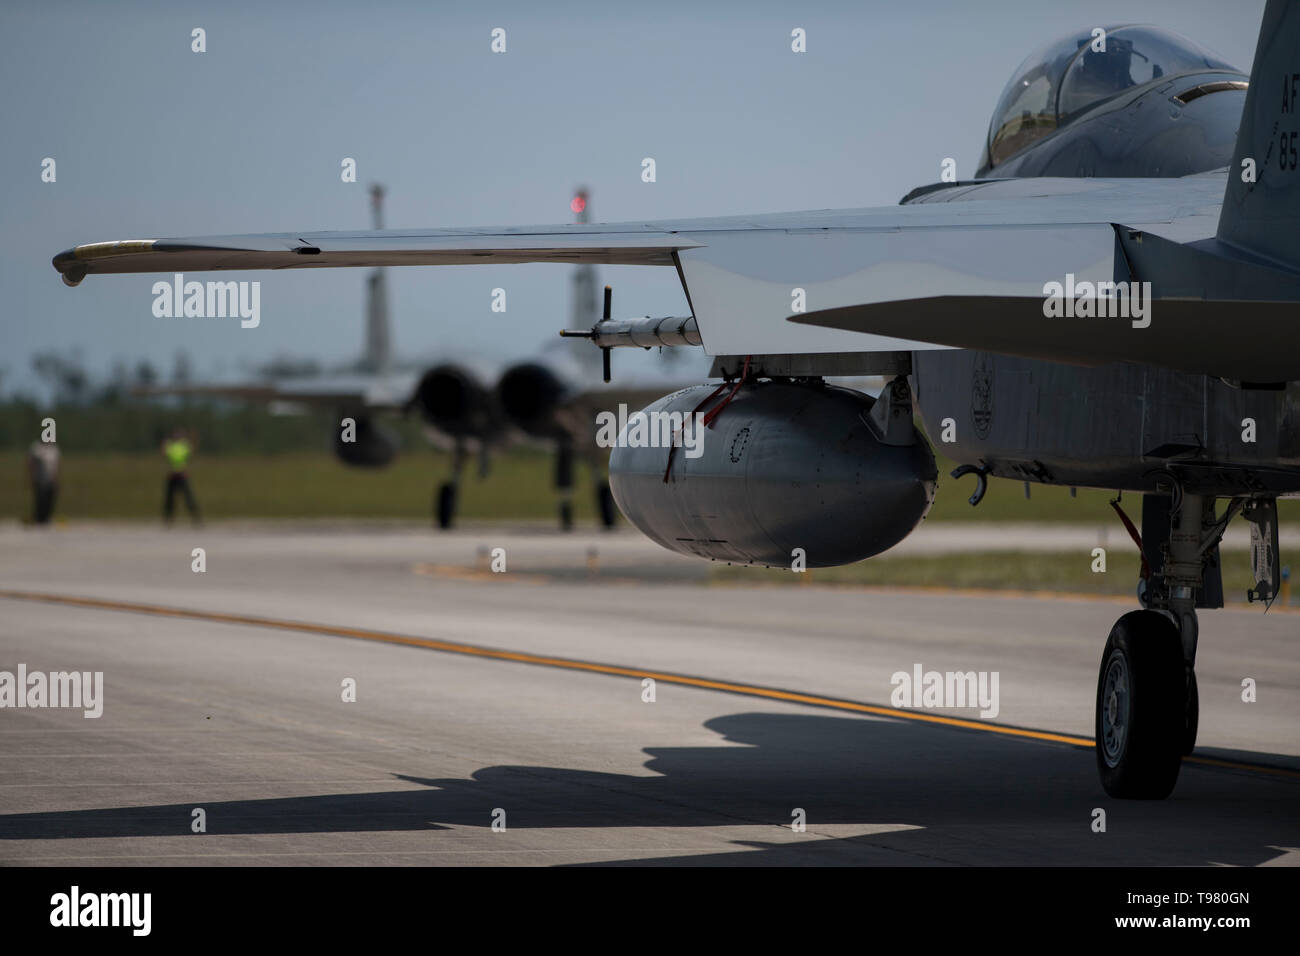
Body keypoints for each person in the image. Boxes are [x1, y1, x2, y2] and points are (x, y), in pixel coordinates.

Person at [162, 428, 201, 526]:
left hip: (182, 474)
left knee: (189, 498)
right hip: (172, 474)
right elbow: (164, 453)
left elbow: (191, 452)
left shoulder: (184, 446)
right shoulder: (171, 446)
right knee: (169, 499)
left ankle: (196, 518)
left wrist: (194, 439)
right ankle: (168, 519)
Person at [27, 438, 60, 525]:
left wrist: (55, 478)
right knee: (40, 498)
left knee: (50, 498)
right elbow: (31, 463)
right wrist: (32, 476)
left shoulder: (53, 448)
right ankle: (39, 518)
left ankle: (47, 517)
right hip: (39, 478)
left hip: (50, 478)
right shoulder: (37, 447)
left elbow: (56, 465)